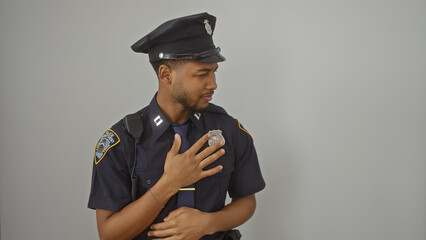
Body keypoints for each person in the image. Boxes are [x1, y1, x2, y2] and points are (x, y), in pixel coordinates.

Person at [88, 12, 265, 240]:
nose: (214, 84)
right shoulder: (121, 142)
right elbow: (109, 234)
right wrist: (169, 183)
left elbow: (247, 201)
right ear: (166, 74)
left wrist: (208, 223)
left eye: (214, 71)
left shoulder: (228, 129)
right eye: (202, 74)